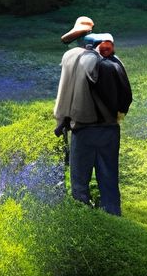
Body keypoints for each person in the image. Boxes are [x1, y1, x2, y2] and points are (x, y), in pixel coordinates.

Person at [53, 18, 132, 213]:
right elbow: (125, 97)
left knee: (80, 184)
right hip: (110, 128)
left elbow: (65, 94)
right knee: (109, 181)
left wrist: (61, 120)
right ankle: (114, 221)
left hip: (83, 129)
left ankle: (84, 223)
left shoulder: (71, 57)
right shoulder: (113, 60)